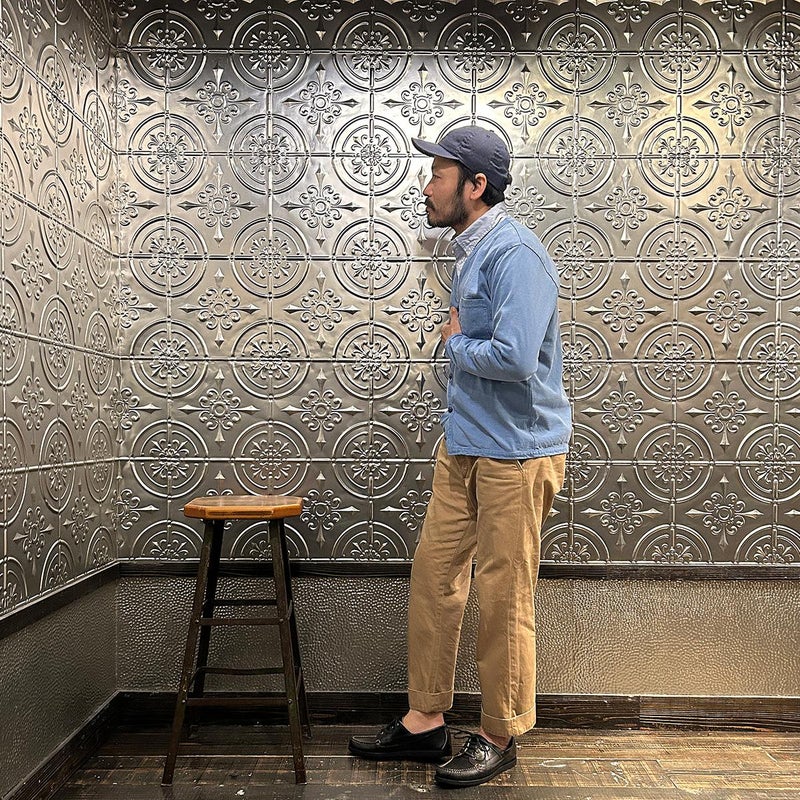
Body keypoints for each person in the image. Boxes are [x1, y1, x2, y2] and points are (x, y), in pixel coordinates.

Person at [348, 126, 572, 788]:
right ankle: (426, 721)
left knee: (504, 594)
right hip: (467, 445)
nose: (426, 187)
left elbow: (515, 357)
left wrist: (454, 345)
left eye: (438, 175)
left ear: (475, 186)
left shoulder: (515, 253)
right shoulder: (471, 250)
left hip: (515, 454)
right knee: (435, 577)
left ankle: (500, 733)